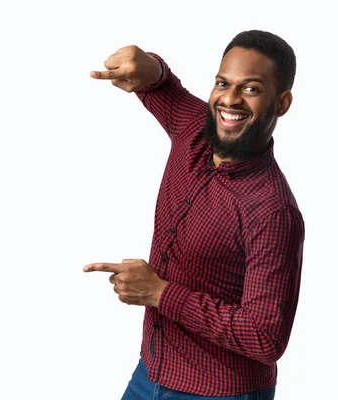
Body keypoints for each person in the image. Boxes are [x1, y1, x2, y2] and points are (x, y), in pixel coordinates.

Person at [83, 30, 305, 400]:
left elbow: (265, 337)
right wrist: (151, 67)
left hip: (219, 392)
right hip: (151, 372)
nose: (229, 99)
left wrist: (159, 293)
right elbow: (161, 87)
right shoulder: (196, 131)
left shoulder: (272, 210)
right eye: (223, 83)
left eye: (250, 88)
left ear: (281, 103)